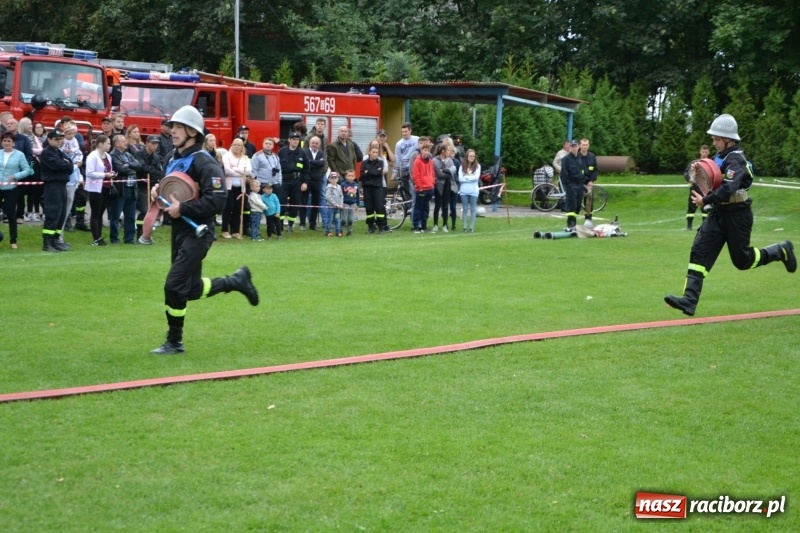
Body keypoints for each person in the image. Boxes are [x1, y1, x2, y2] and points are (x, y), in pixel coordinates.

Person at [149, 105, 259, 355]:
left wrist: (183, 208)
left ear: (191, 131)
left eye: (178, 127)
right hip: (179, 231)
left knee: (174, 285)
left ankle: (174, 342)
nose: (172, 130)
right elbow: (172, 188)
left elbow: (217, 201)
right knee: (192, 289)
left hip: (199, 232)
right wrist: (159, 191)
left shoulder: (205, 163)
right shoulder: (172, 158)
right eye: (173, 126)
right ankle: (236, 281)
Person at [664, 114, 796, 316]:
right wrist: (693, 171)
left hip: (738, 214)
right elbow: (691, 176)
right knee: (700, 249)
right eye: (714, 138)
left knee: (742, 261)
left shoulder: (736, 159)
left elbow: (728, 188)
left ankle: (780, 251)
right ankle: (689, 300)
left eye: (717, 139)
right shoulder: (717, 157)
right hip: (719, 213)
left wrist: (704, 201)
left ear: (729, 139)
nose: (713, 142)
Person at [39, 129, 73, 252]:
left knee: (61, 214)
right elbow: (59, 165)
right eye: (56, 139)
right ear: (49, 140)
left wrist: (66, 164)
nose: (59, 142)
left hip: (62, 185)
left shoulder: (59, 152)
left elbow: (70, 167)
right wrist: (65, 164)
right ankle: (47, 242)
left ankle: (56, 240)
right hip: (52, 186)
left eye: (60, 139)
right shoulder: (46, 153)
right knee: (53, 213)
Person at [0, 132, 32, 249]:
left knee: (11, 214)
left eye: (9, 141)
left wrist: (15, 176)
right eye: (4, 140)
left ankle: (13, 241)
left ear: (13, 143)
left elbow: (27, 170)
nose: (6, 143)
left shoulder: (20, 155)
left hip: (11, 188)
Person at [84, 134, 114, 246]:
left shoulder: (108, 156)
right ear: (100, 144)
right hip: (95, 188)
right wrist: (104, 175)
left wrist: (110, 174)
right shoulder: (93, 156)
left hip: (106, 187)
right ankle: (95, 238)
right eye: (108, 143)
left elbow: (109, 168)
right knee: (95, 213)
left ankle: (100, 236)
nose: (109, 145)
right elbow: (89, 173)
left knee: (101, 212)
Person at [109, 134, 140, 244]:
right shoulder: (113, 155)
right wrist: (131, 168)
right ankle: (114, 238)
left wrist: (128, 165)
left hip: (132, 189)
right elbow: (120, 169)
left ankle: (129, 238)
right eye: (123, 141)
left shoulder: (128, 154)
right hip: (120, 190)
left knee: (131, 215)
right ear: (116, 144)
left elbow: (139, 165)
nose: (125, 142)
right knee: (115, 216)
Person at [134, 135, 164, 243]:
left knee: (151, 211)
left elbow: (159, 172)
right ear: (147, 143)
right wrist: (151, 170)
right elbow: (141, 167)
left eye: (156, 143)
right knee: (144, 210)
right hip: (141, 186)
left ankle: (147, 235)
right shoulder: (139, 154)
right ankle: (139, 235)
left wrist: (150, 171)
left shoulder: (156, 157)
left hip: (152, 186)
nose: (155, 145)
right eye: (153, 143)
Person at [221, 138, 252, 239]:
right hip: (229, 186)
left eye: (239, 145)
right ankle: (225, 230)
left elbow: (248, 171)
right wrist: (241, 172)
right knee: (228, 207)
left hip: (241, 186)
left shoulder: (245, 158)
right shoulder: (226, 156)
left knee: (238, 209)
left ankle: (235, 230)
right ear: (231, 145)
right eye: (234, 145)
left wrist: (235, 169)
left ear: (242, 147)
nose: (236, 147)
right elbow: (227, 171)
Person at [58, 125, 84, 246]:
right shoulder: (59, 151)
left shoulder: (75, 145)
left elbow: (79, 158)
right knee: (60, 212)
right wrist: (74, 166)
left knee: (66, 210)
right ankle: (56, 238)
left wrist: (77, 170)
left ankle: (60, 238)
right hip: (62, 183)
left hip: (72, 182)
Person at [278, 131, 308, 232]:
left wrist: (305, 182)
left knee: (295, 203)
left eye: (297, 139)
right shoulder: (282, 151)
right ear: (289, 140)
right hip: (284, 180)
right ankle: (280, 224)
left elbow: (306, 169)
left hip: (297, 181)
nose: (296, 141)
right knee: (281, 202)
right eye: (294, 139)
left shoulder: (302, 153)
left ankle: (290, 225)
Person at [301, 135, 327, 231]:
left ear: (319, 144)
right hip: (306, 180)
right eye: (313, 143)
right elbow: (305, 164)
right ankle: (302, 223)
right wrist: (316, 162)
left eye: (316, 143)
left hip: (317, 181)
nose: (314, 144)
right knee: (303, 202)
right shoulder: (304, 152)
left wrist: (310, 162)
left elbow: (322, 164)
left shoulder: (322, 153)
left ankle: (313, 224)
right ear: (309, 143)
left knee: (315, 203)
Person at [392, 123, 420, 212]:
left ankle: (415, 206)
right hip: (404, 168)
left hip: (414, 168)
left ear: (410, 130)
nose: (404, 133)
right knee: (405, 188)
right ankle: (409, 208)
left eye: (406, 131)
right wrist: (394, 172)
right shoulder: (399, 144)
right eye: (402, 132)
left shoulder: (417, 139)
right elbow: (397, 158)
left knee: (414, 188)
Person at [360, 144, 386, 234]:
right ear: (369, 152)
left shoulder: (380, 162)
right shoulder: (364, 163)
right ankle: (371, 226)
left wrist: (369, 172)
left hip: (377, 187)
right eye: (373, 152)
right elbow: (362, 175)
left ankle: (381, 227)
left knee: (379, 207)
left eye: (377, 152)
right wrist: (373, 172)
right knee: (369, 207)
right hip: (367, 187)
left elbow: (378, 173)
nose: (375, 154)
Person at [683, 144, 710, 230]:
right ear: (700, 152)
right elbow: (686, 172)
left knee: (705, 207)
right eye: (703, 151)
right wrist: (689, 179)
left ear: (709, 152)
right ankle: (689, 226)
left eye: (706, 152)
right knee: (691, 206)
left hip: (705, 189)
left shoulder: (711, 163)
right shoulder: (694, 163)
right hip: (695, 188)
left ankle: (705, 226)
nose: (704, 153)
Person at [560, 139, 584, 232]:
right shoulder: (566, 159)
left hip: (580, 184)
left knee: (578, 205)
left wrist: (584, 183)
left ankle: (574, 222)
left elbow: (582, 171)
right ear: (570, 148)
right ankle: (571, 224)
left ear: (578, 147)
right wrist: (567, 185)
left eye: (575, 146)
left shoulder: (580, 158)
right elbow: (564, 174)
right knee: (572, 205)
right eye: (572, 146)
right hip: (571, 184)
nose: (574, 148)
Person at [432, 143, 457, 233]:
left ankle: (445, 225)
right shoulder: (435, 160)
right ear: (443, 151)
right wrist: (448, 173)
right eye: (447, 150)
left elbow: (453, 172)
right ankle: (435, 225)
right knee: (437, 206)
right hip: (438, 185)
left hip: (447, 185)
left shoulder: (450, 160)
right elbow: (438, 174)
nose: (449, 152)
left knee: (446, 206)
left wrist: (446, 171)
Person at [411, 140, 435, 233]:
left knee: (426, 208)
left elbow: (432, 174)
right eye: (425, 150)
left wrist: (432, 184)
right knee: (418, 208)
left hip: (429, 188)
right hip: (421, 189)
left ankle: (424, 226)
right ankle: (416, 226)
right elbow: (416, 176)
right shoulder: (417, 161)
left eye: (428, 150)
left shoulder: (430, 161)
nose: (426, 152)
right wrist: (419, 187)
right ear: (421, 150)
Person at [459, 149, 480, 232]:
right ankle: (464, 226)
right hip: (464, 190)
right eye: (470, 156)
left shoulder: (478, 166)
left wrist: (466, 178)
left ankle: (471, 227)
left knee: (473, 208)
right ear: (467, 156)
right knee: (464, 208)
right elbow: (460, 178)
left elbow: (476, 178)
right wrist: (470, 178)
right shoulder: (462, 166)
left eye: (473, 156)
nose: (472, 158)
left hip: (473, 190)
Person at [579, 138, 599, 222]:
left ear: (589, 146)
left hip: (588, 182)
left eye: (586, 145)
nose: (585, 147)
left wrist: (592, 181)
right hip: (578, 182)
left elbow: (595, 169)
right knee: (576, 200)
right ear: (580, 146)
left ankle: (588, 218)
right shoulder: (576, 156)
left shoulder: (592, 156)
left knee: (589, 201)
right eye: (583, 145)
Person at [323, 171, 343, 237]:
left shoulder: (339, 187)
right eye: (332, 178)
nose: (334, 179)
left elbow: (341, 195)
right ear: (329, 179)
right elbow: (328, 197)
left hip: (337, 208)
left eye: (335, 178)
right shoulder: (329, 187)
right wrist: (335, 204)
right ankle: (327, 232)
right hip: (330, 207)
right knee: (329, 220)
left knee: (337, 219)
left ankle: (338, 231)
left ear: (337, 179)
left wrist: (341, 204)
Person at [342, 169, 361, 236]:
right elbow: (341, 195)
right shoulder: (343, 185)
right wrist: (341, 203)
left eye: (352, 176)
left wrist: (358, 204)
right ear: (346, 177)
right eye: (349, 176)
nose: (350, 177)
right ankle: (340, 229)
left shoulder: (356, 185)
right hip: (345, 203)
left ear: (354, 177)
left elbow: (358, 195)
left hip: (353, 204)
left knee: (351, 219)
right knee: (344, 219)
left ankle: (349, 231)